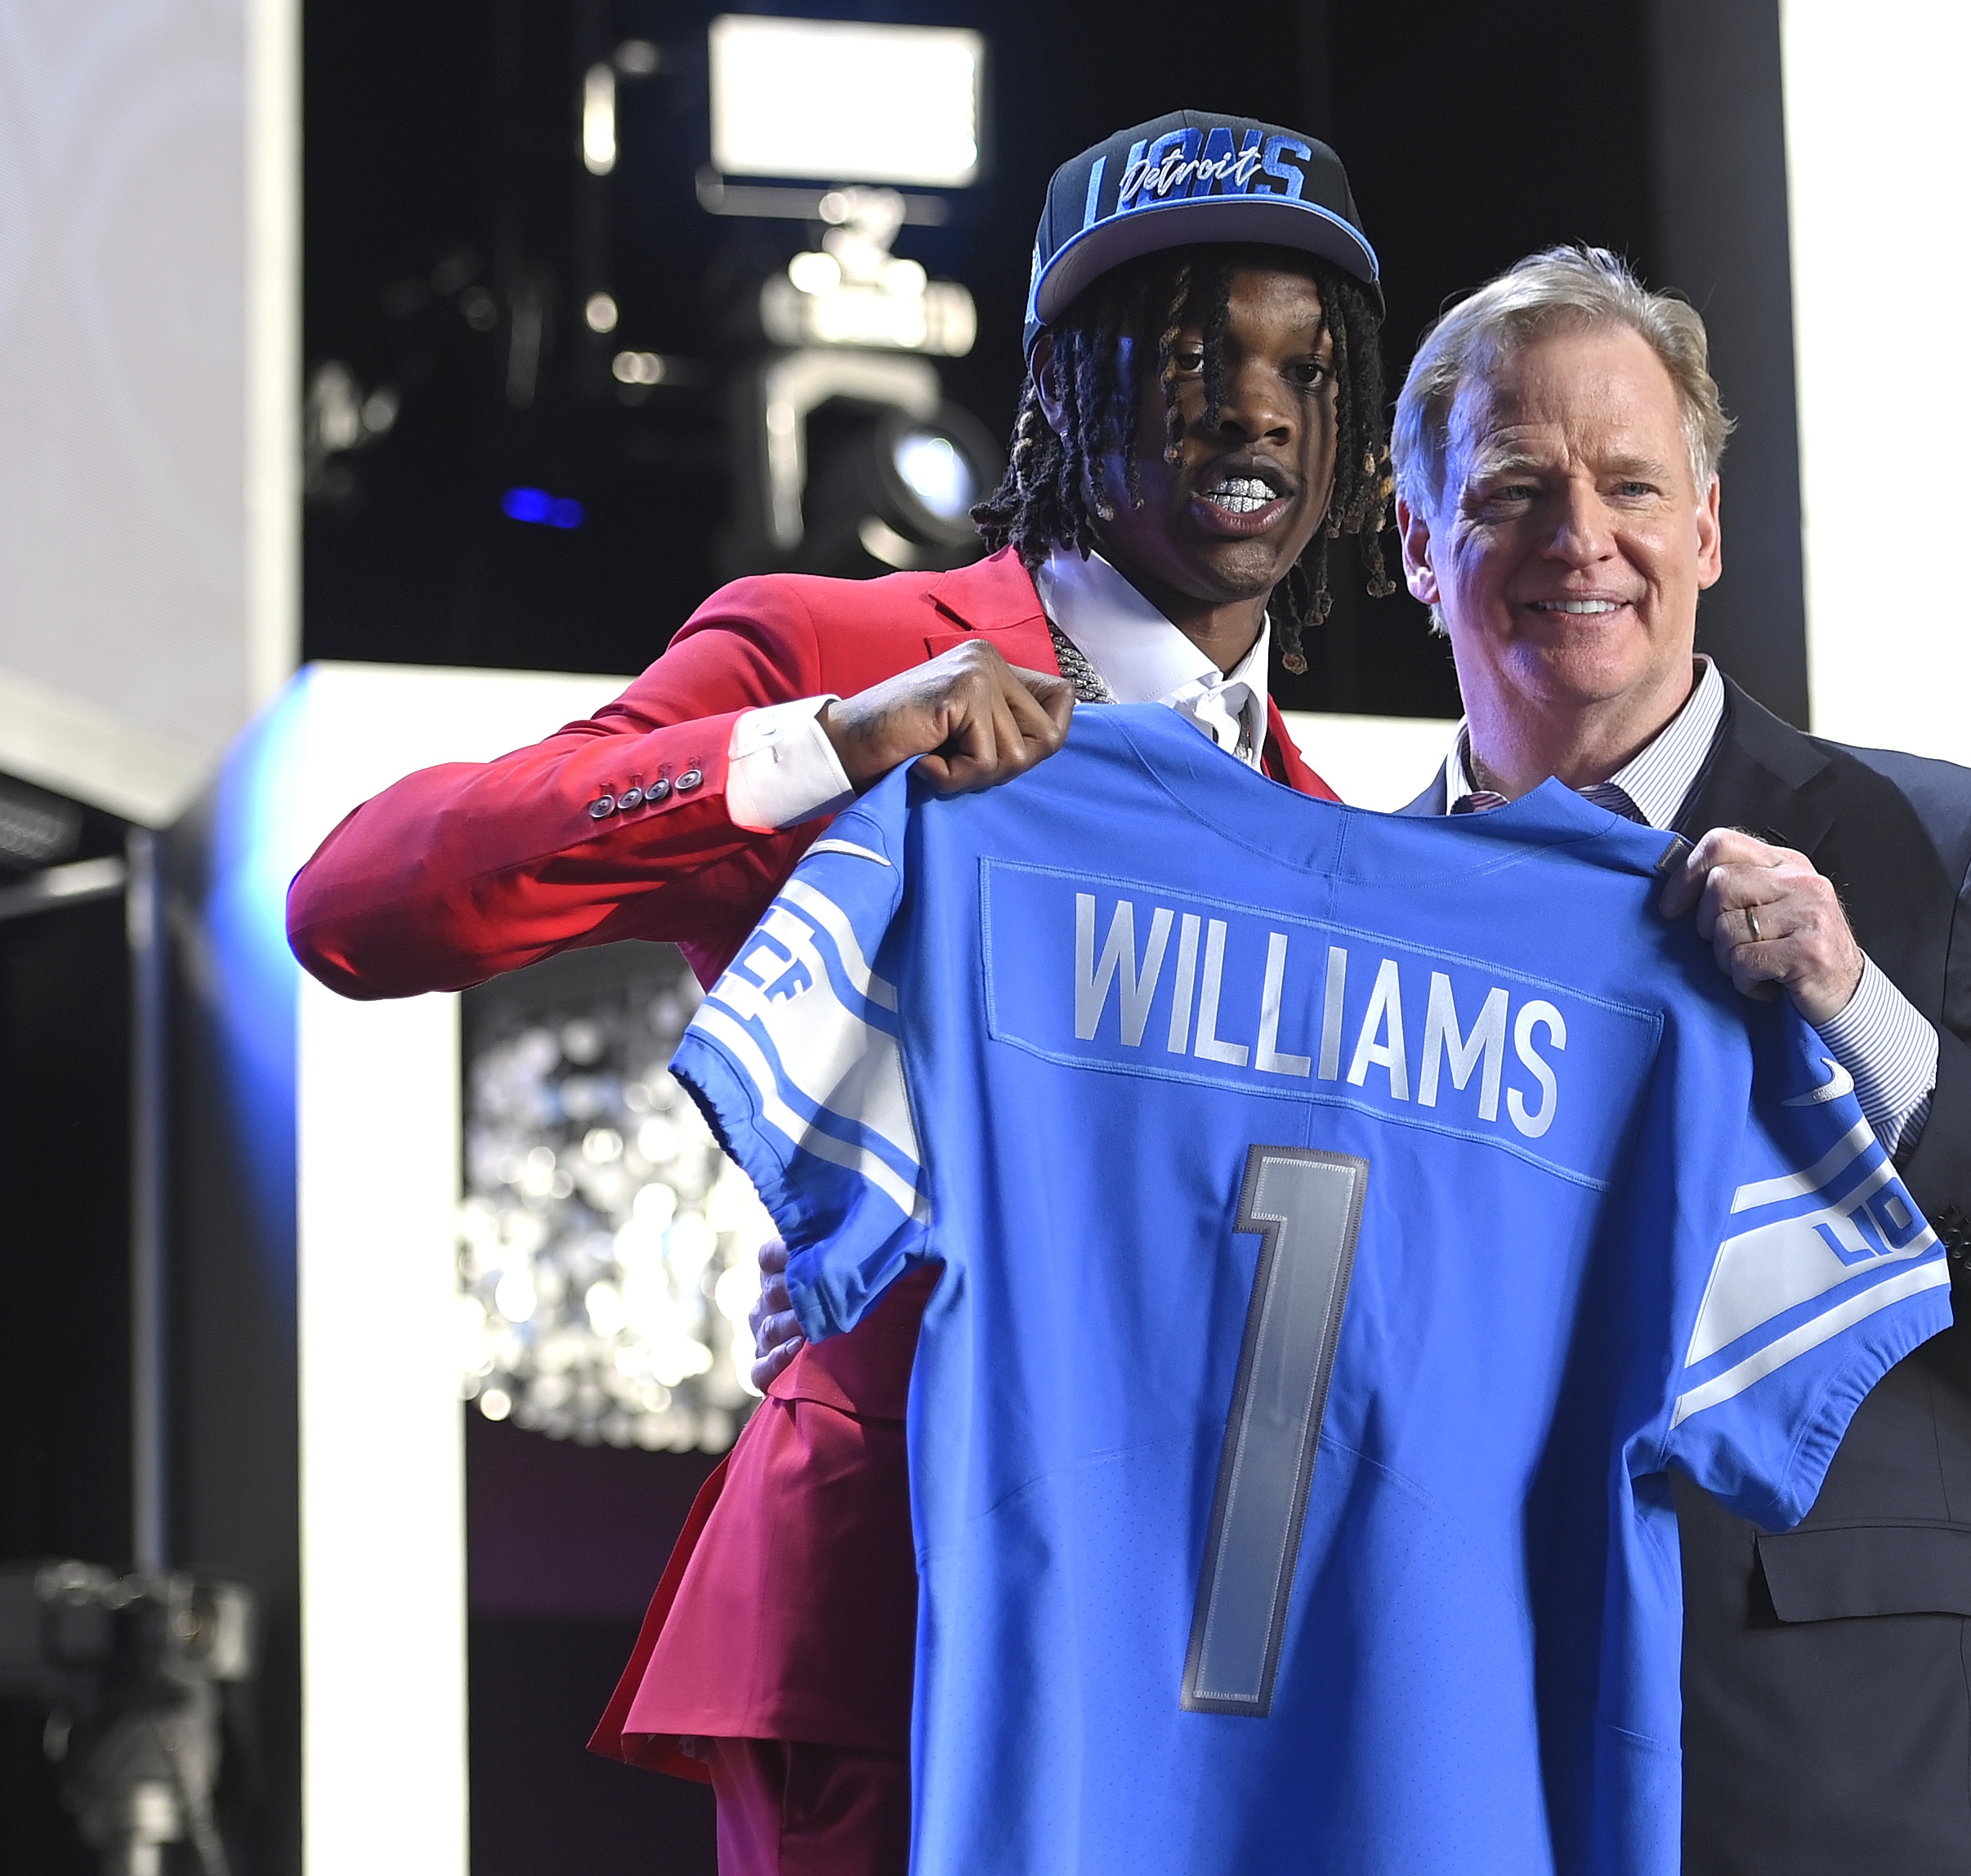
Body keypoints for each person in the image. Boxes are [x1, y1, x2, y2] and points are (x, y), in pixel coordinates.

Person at [283, 110, 1394, 1876]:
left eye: (1304, 364)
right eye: (1188, 348)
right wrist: (816, 751)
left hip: (1206, 1694)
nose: (1253, 406)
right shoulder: (849, 660)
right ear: (1053, 383)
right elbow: (361, 898)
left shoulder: (1340, 846)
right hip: (898, 1635)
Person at [1387, 244, 1971, 1874]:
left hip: (1871, 1784)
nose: (1580, 537)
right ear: (1418, 543)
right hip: (1470, 1772)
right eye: (1512, 489)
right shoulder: (1348, 924)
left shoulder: (1944, 848)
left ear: (1703, 525)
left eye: (1631, 483)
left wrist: (1855, 1001)